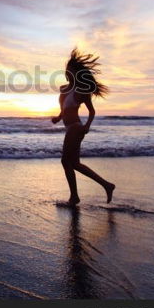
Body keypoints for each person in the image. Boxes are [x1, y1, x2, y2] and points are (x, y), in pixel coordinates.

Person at [52, 48, 115, 205]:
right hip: (70, 128)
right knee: (74, 164)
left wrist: (87, 125)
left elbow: (92, 111)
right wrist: (58, 118)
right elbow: (64, 110)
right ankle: (107, 185)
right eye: (67, 70)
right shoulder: (64, 90)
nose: (68, 72)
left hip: (76, 128)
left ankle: (74, 197)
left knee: (65, 162)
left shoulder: (82, 91)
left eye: (71, 70)